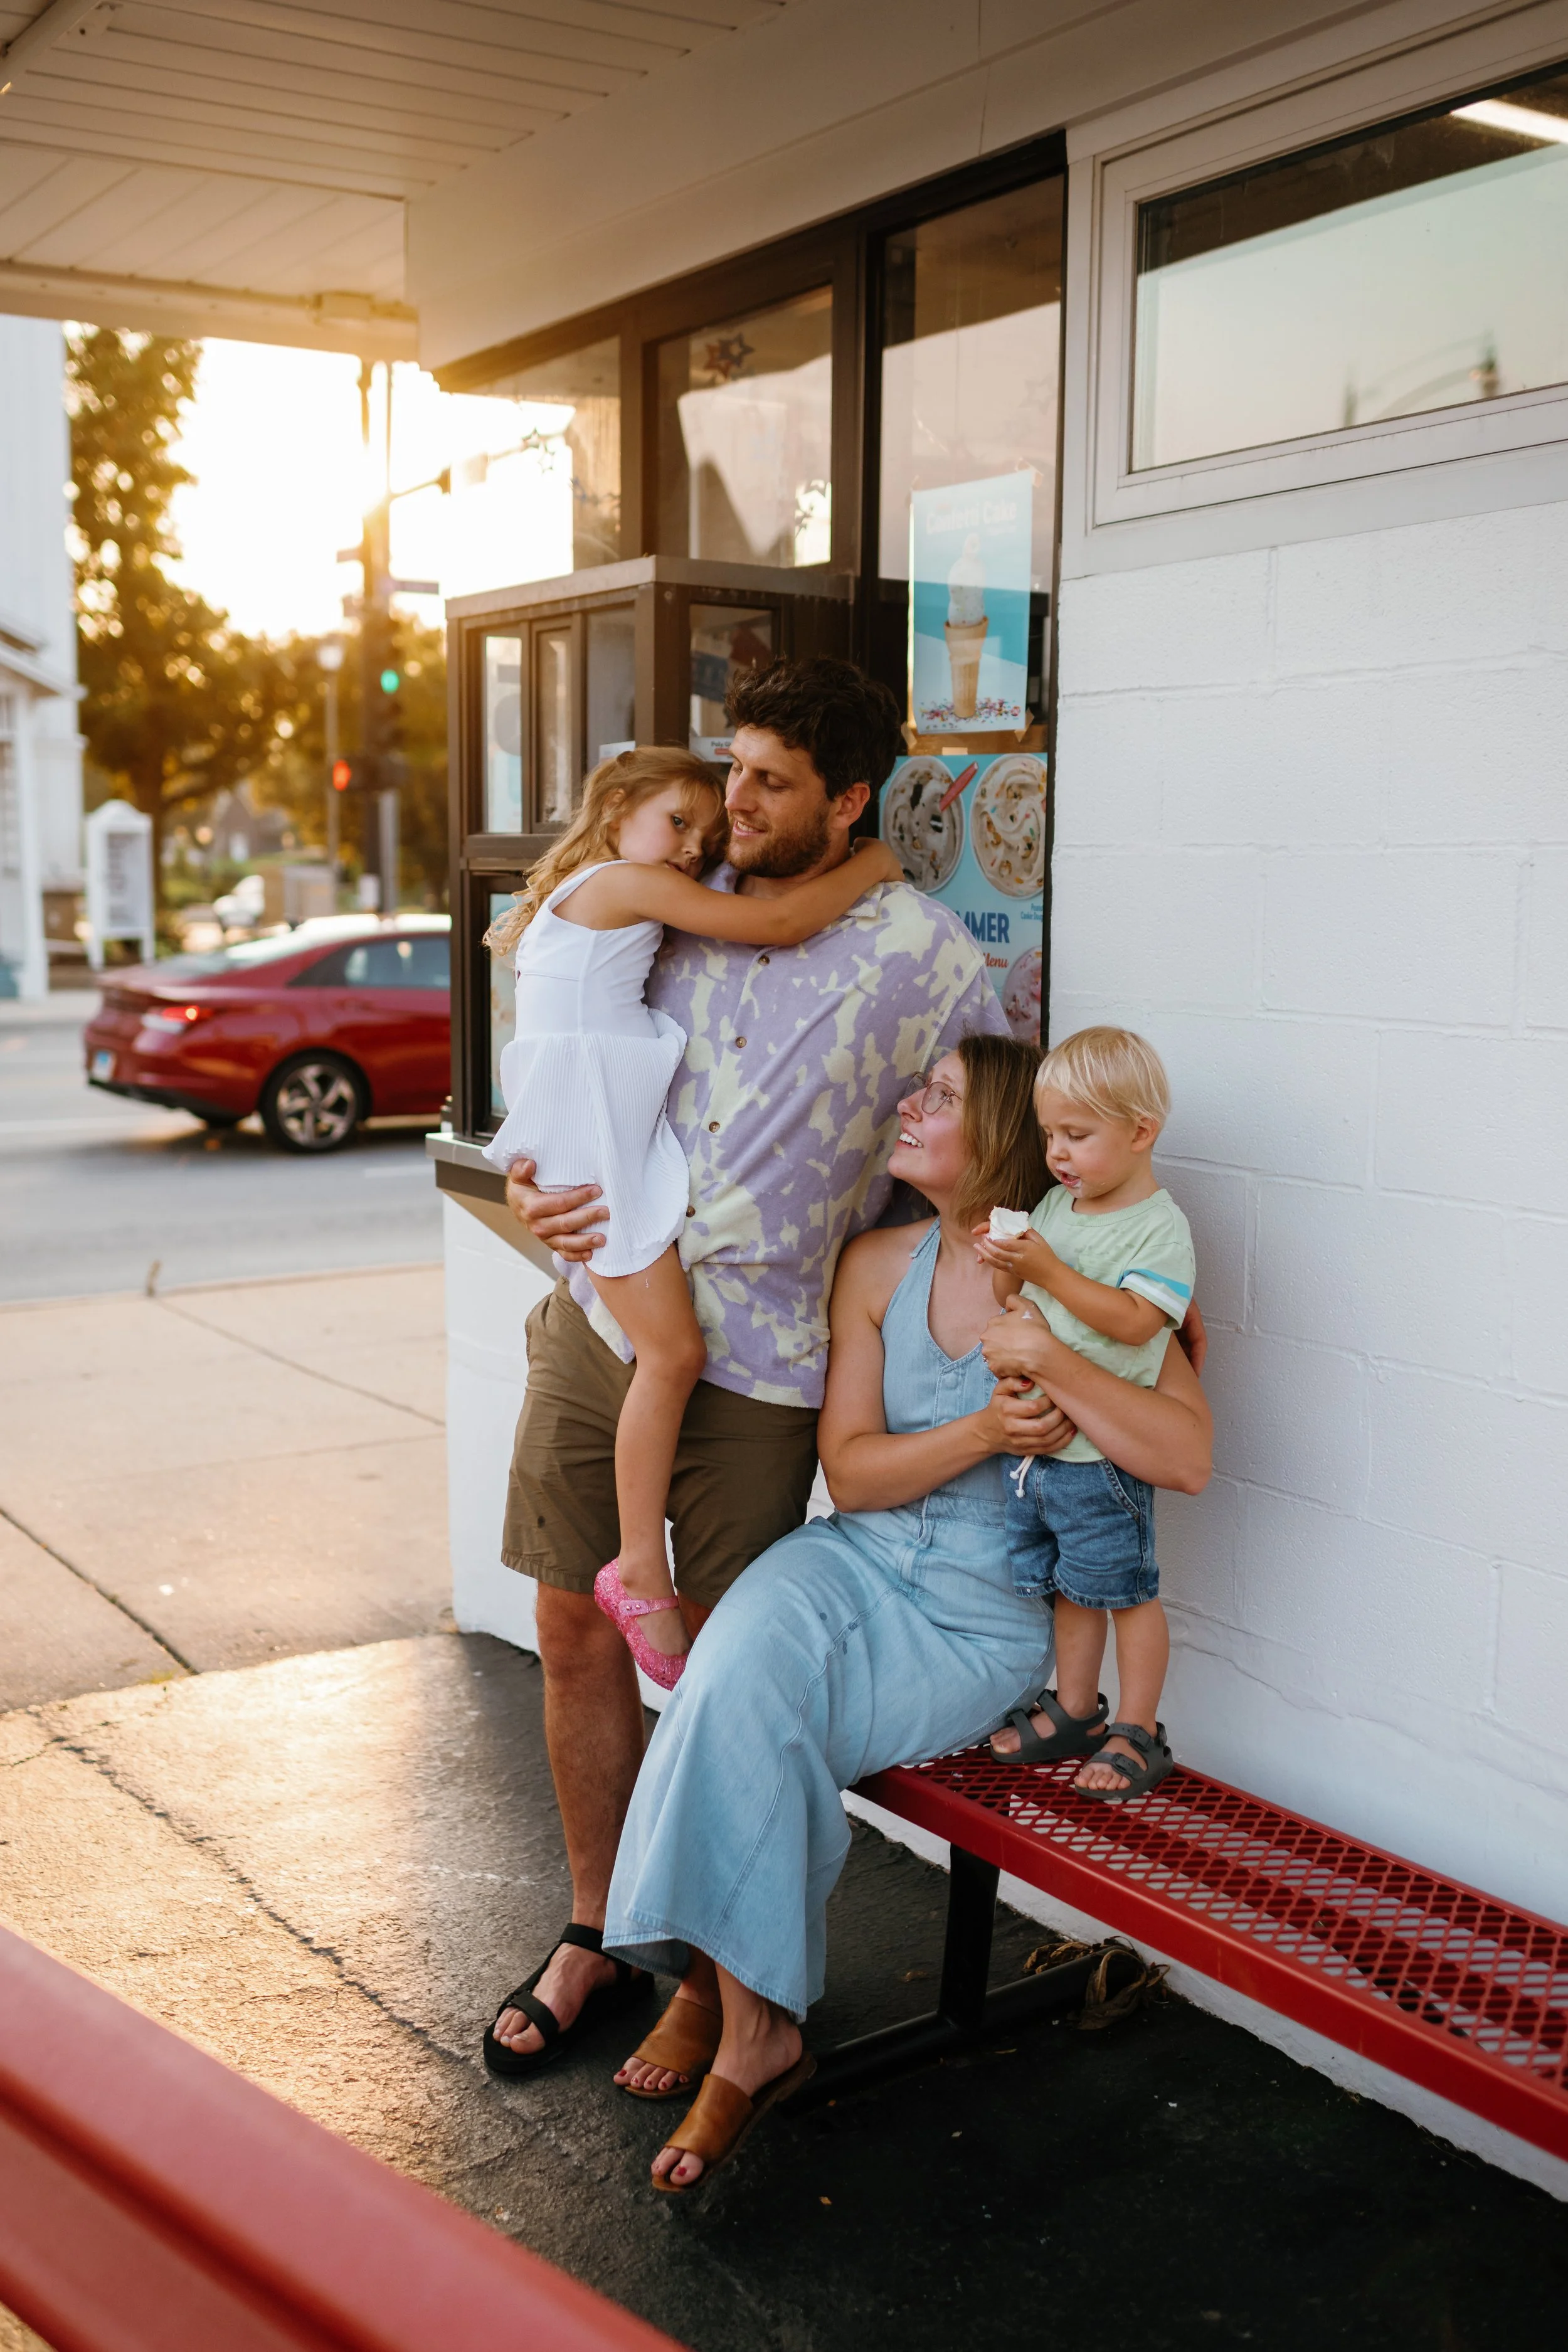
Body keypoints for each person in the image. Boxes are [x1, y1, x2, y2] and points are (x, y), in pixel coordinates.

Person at [483, 657, 1015, 2081]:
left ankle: (714, 1979)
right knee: (574, 1617)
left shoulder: (929, 958)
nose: (735, 800)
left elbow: (986, 1163)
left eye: (772, 781)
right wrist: (531, 1188)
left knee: (719, 1671)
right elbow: (557, 1063)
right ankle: (595, 1924)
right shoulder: (668, 898)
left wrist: (943, 1329)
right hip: (604, 1313)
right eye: (732, 770)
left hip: (764, 1372)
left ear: (847, 801)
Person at [601, 1037, 1212, 2193]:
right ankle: (738, 2001)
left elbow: (1188, 1456)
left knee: (768, 1718)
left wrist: (1065, 1371)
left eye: (941, 1094)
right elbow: (856, 1470)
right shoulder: (879, 1262)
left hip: (978, 1620)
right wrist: (984, 1431)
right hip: (853, 1555)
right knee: (730, 1679)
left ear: (1000, 1137)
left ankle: (732, 2008)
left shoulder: (1080, 1271)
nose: (910, 1103)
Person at [481, 747, 900, 1690]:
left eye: (705, 836)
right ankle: (638, 1567)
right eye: (680, 821)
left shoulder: (594, 888)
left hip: (595, 1127)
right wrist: (876, 861)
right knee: (670, 1354)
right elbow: (778, 920)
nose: (694, 848)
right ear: (620, 806)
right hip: (594, 1137)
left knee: (666, 1352)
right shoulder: (623, 882)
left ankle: (638, 1565)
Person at [976, 1028, 1194, 1798]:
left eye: (1077, 1134)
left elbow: (1137, 1322)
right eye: (1049, 1135)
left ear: (1140, 1132)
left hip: (1102, 1459)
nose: (1058, 1153)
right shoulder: (1056, 1207)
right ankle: (1076, 1707)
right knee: (1075, 1587)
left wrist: (1047, 1268)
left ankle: (1139, 1729)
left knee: (1127, 1594)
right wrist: (1008, 1273)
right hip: (1040, 1455)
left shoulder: (1156, 1226)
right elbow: (1027, 1302)